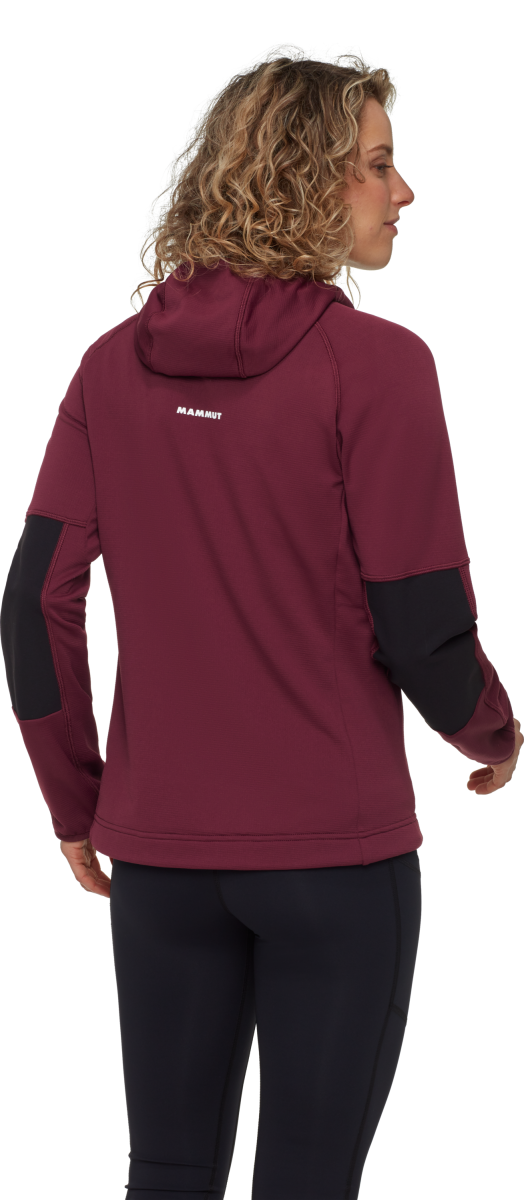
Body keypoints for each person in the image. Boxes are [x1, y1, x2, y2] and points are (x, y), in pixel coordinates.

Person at [2, 43, 521, 1199]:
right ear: (304, 178)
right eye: (377, 163)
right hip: (334, 855)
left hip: (156, 860)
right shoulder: (377, 366)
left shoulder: (108, 367)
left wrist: (77, 802)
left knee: (166, 1172)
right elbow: (417, 613)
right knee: (308, 1181)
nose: (402, 190)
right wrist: (487, 732)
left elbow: (34, 601)